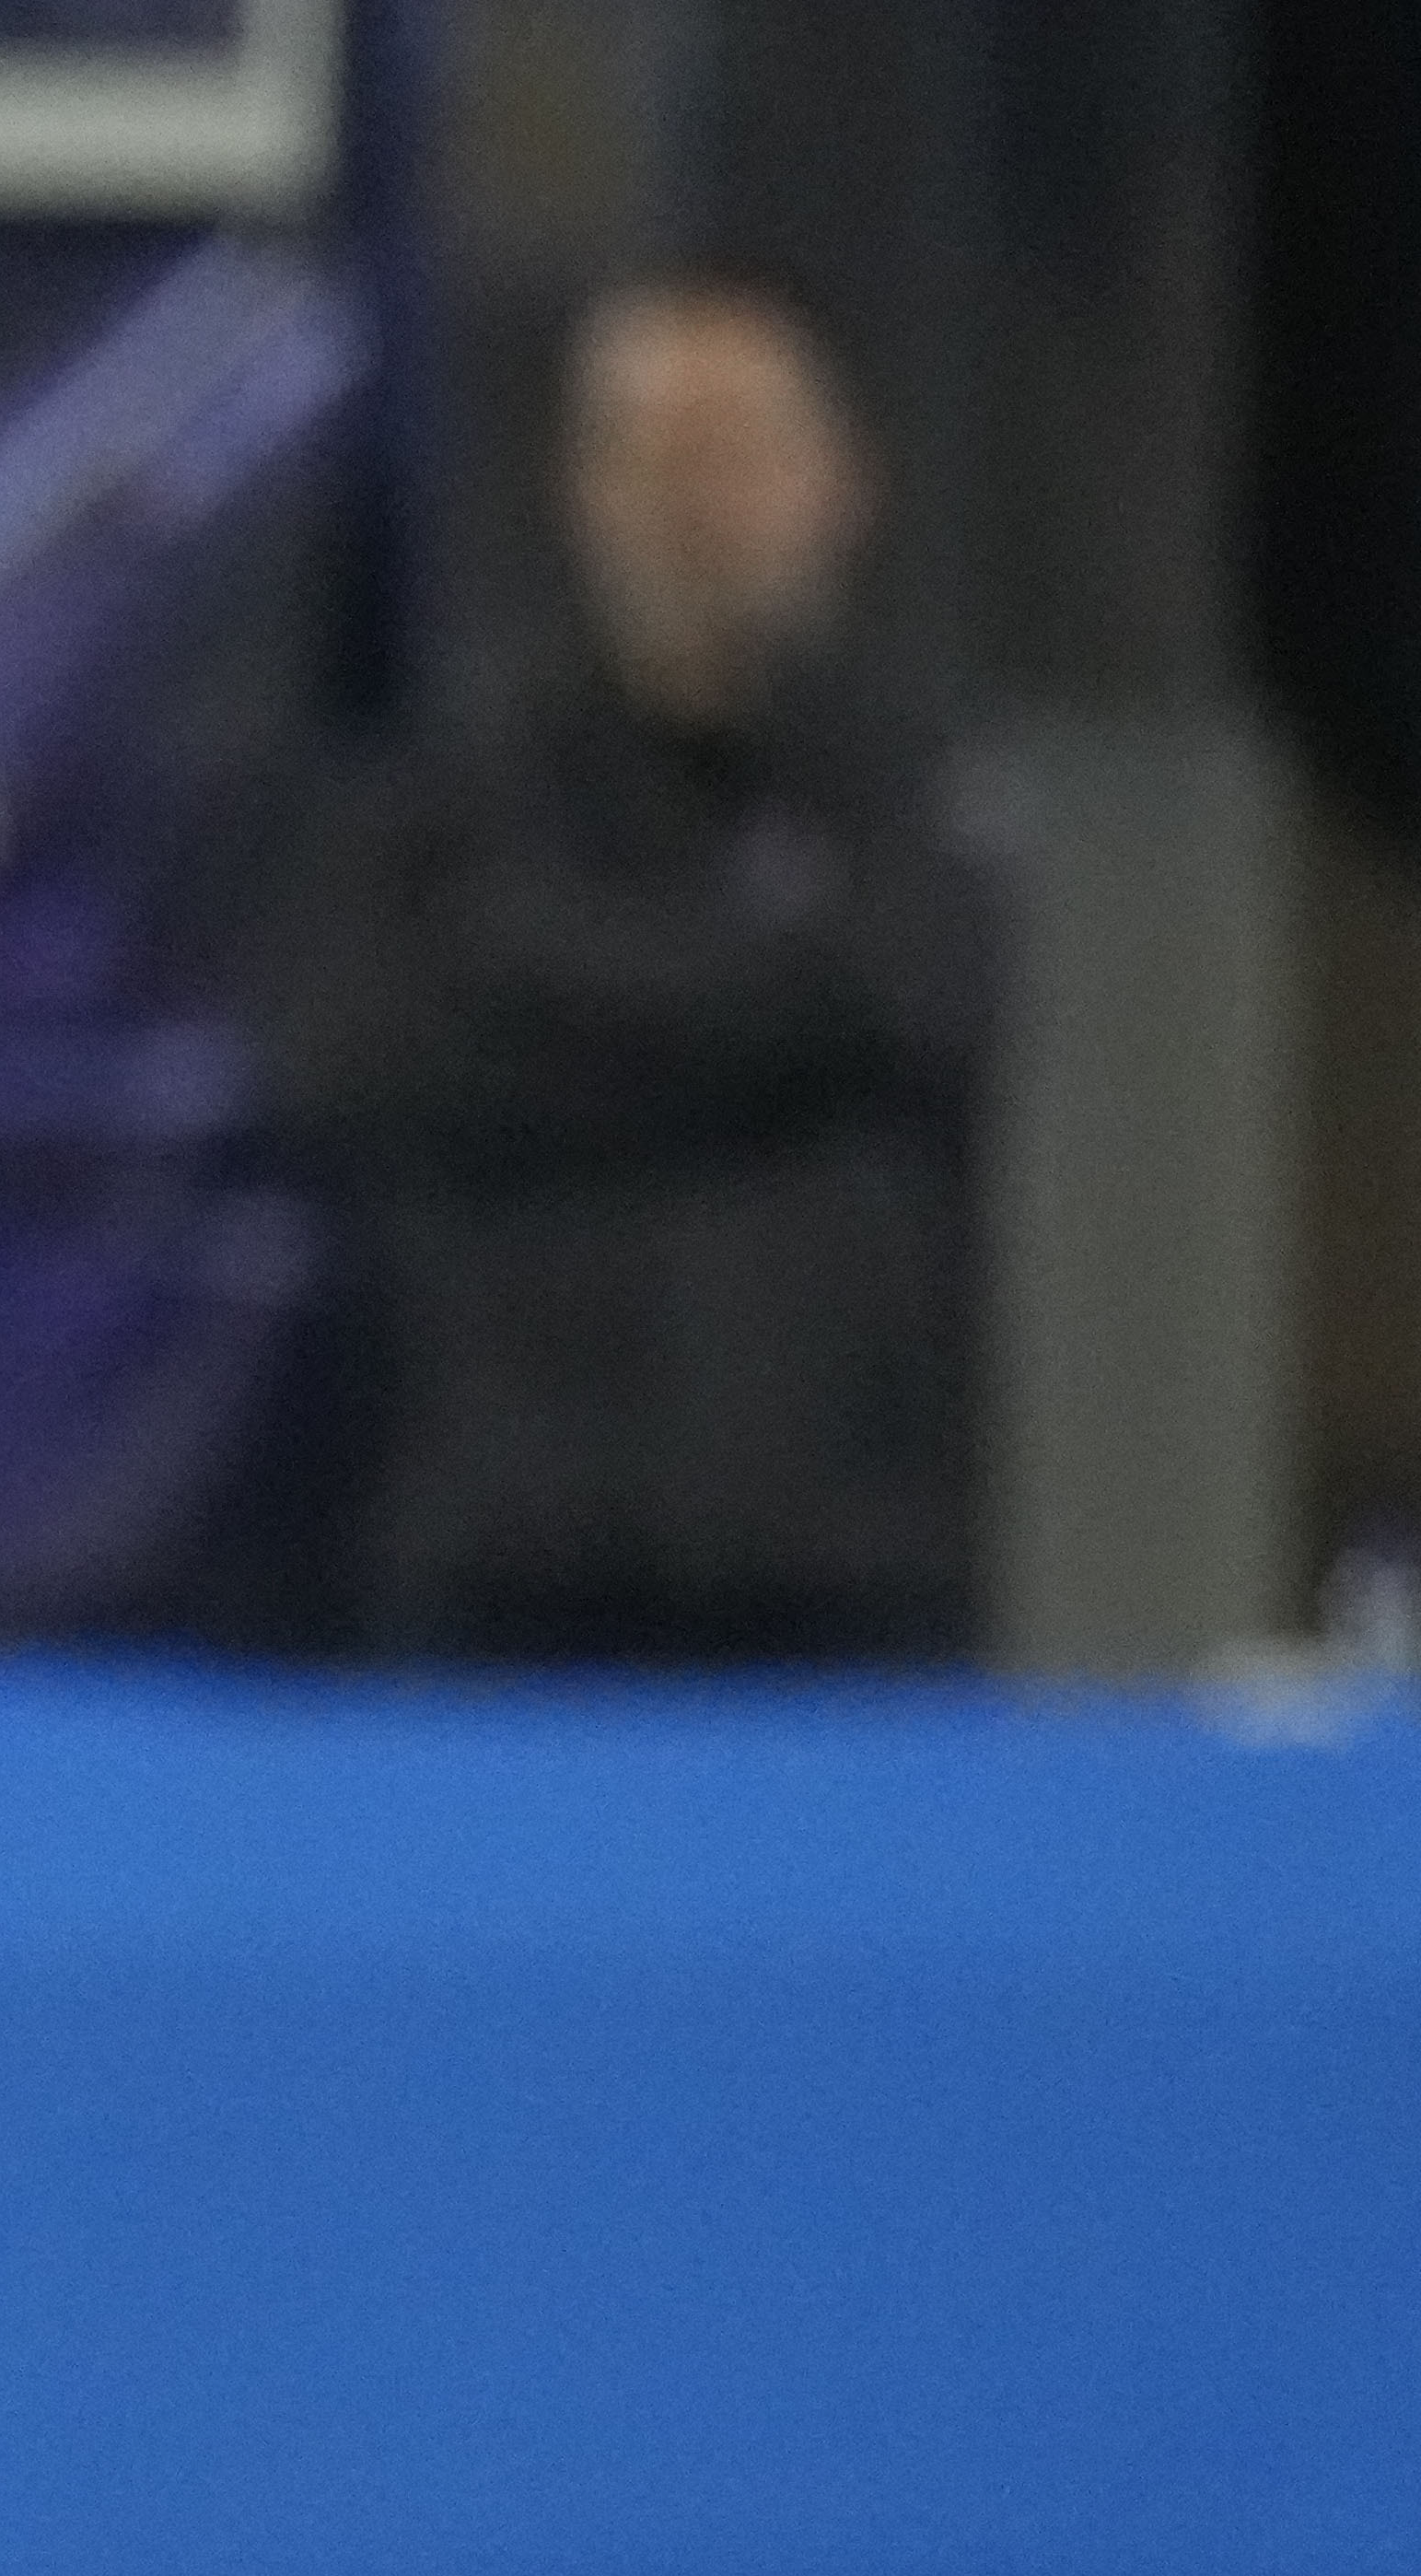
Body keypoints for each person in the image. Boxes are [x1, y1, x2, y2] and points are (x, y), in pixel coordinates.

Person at [260, 267, 996, 1663]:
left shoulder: (913, 775)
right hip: (525, 1578)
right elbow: (360, 1051)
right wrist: (777, 1007)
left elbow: (921, 990)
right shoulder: (450, 783)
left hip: (847, 1583)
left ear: (838, 484)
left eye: (740, 457)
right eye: (662, 459)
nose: (701, 510)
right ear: (583, 486)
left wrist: (563, 1001)